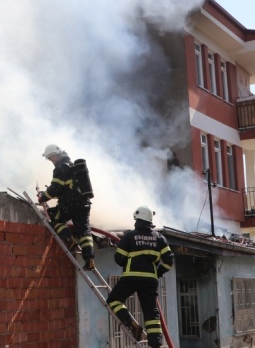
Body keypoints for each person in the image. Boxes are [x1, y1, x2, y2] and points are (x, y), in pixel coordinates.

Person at [106, 205, 174, 347]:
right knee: (151, 313)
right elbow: (169, 261)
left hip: (131, 277)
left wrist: (130, 257)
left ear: (137, 220)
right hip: (150, 280)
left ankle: (130, 322)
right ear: (150, 221)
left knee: (114, 300)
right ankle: (155, 344)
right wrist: (157, 272)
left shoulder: (130, 236)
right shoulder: (160, 238)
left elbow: (119, 259)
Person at [37, 144, 95, 270]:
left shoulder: (60, 168)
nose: (51, 161)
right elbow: (67, 188)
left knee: (55, 217)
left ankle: (69, 239)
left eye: (51, 158)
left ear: (56, 155)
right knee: (84, 231)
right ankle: (89, 257)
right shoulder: (74, 167)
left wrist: (43, 197)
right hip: (84, 203)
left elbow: (55, 189)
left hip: (70, 204)